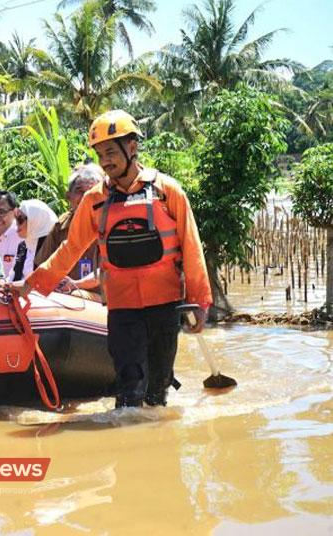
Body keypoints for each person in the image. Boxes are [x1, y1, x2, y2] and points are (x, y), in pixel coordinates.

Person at [13, 110, 212, 408]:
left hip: (165, 305)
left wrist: (201, 301)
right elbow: (71, 249)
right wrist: (29, 284)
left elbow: (191, 247)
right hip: (122, 309)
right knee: (129, 390)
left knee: (157, 392)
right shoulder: (94, 200)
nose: (105, 160)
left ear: (132, 147)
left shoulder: (168, 191)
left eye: (110, 151)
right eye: (100, 154)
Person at [36, 163, 105, 291]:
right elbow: (44, 264)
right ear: (68, 196)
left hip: (104, 299)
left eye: (92, 190)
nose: (86, 196)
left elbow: (110, 270)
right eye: (80, 191)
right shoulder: (60, 226)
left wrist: (76, 285)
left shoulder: (112, 221)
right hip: (66, 297)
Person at [12, 199, 57, 280]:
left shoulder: (53, 247)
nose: (17, 224)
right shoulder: (23, 245)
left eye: (20, 219)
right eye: (16, 219)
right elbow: (14, 275)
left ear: (36, 220)